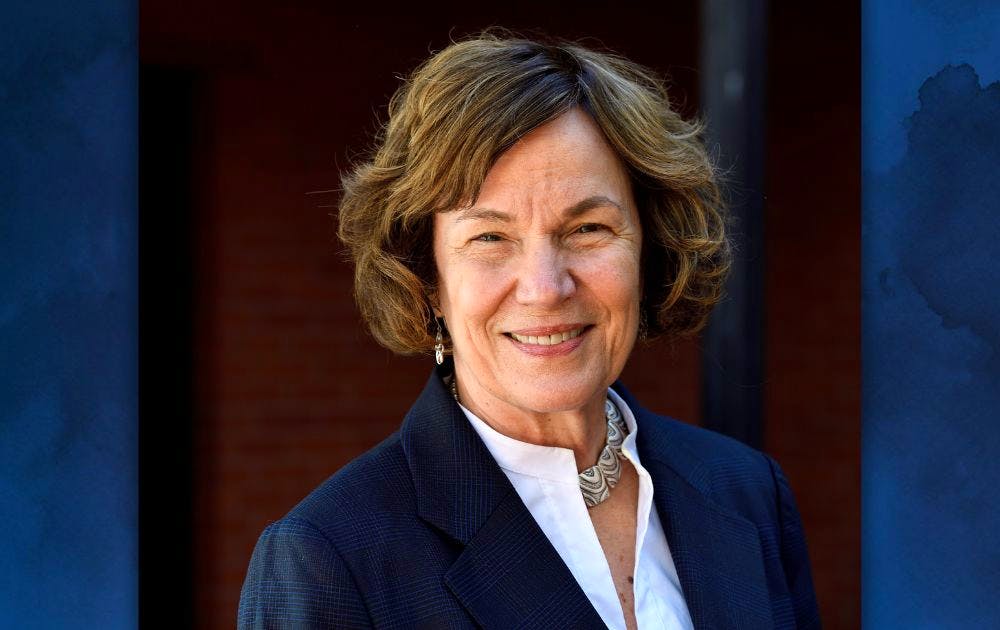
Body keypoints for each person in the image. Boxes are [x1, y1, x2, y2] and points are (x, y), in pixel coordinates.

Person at [238, 32, 820, 630]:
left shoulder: (747, 494)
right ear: (427, 276)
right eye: (490, 238)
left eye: (588, 229)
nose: (545, 287)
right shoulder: (331, 559)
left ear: (650, 247)